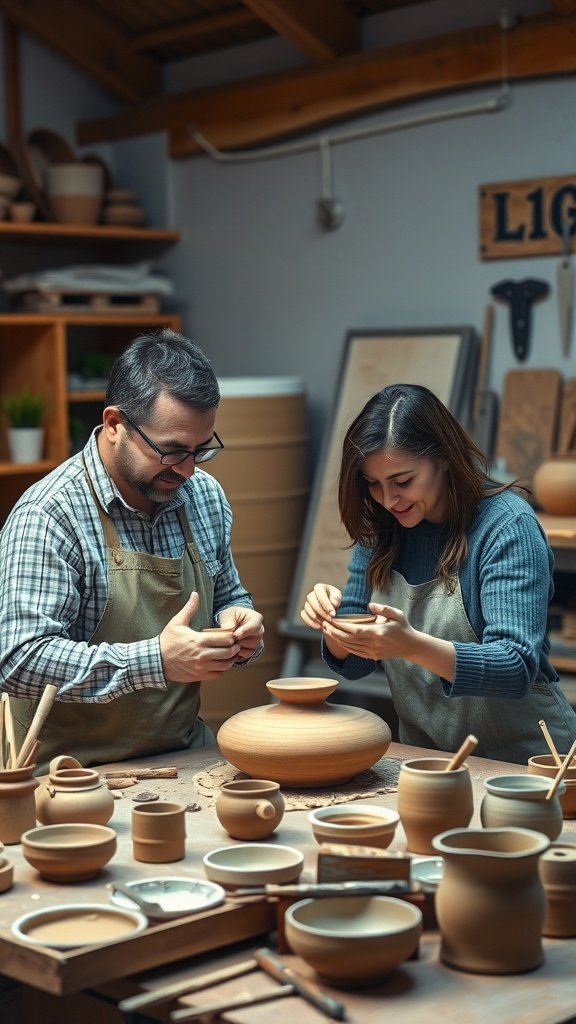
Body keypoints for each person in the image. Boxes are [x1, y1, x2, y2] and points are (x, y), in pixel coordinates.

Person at [0, 328, 264, 773]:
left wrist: (239, 624)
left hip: (182, 757)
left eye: (202, 450)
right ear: (114, 425)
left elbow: (229, 596)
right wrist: (156, 660)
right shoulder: (50, 515)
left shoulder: (204, 496)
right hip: (70, 775)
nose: (186, 469)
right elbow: (17, 659)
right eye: (171, 450)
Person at [300, 382, 576, 763]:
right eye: (373, 485)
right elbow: (357, 663)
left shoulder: (506, 527)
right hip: (428, 761)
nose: (389, 499)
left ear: (444, 457)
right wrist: (333, 627)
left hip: (530, 765)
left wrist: (409, 645)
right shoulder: (381, 526)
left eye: (402, 481)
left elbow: (515, 667)